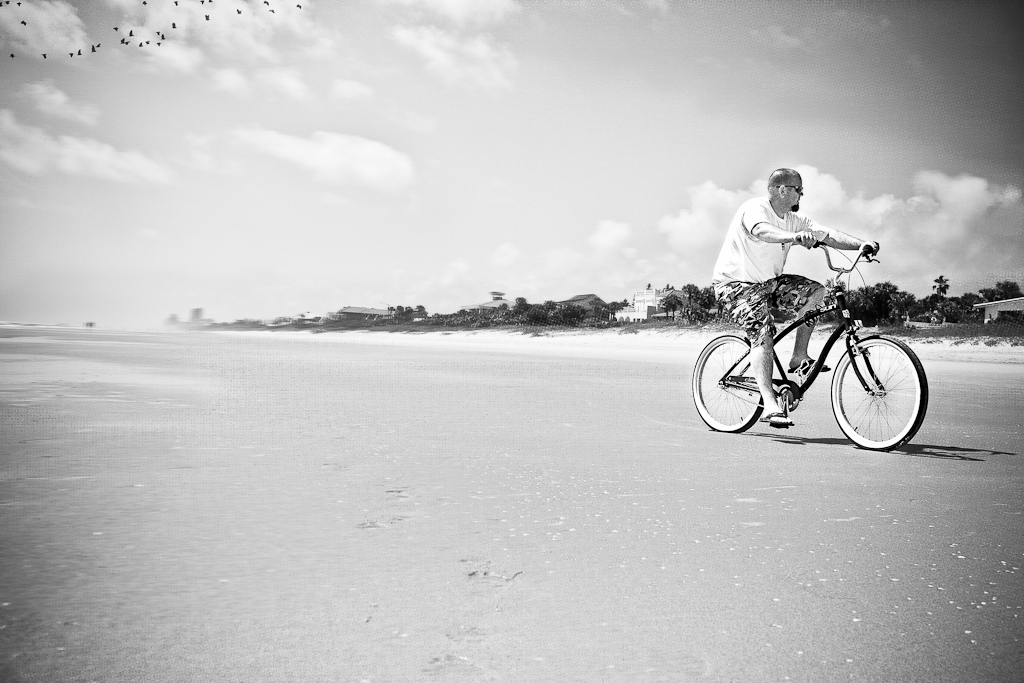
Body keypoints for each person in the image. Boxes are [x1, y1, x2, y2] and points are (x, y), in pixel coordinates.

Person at [711, 168, 879, 428]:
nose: (802, 194)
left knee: (817, 293)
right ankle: (769, 404)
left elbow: (827, 234)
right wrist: (794, 238)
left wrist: (861, 244)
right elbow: (761, 231)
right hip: (736, 285)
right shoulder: (755, 209)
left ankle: (799, 356)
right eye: (799, 189)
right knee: (763, 335)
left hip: (770, 283)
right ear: (782, 190)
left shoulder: (794, 219)